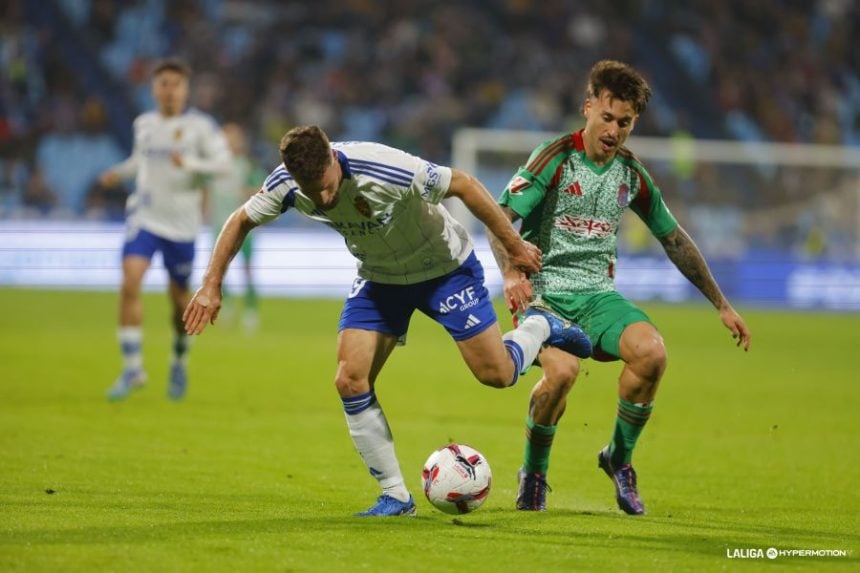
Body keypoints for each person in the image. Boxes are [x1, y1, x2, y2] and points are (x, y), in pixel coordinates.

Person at [183, 125, 592, 517]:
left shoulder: (384, 168)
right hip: (380, 277)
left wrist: (514, 244)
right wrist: (210, 284)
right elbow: (240, 219)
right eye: (313, 191)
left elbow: (464, 184)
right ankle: (395, 495)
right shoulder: (286, 184)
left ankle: (540, 326)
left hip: (443, 268)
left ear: (333, 157)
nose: (324, 197)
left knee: (497, 375)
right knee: (349, 378)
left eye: (328, 184)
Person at [488, 60, 751, 515]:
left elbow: (673, 238)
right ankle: (533, 473)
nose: (613, 130)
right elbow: (498, 222)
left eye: (624, 122)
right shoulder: (554, 158)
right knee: (563, 375)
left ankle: (618, 459)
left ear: (634, 123)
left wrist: (721, 304)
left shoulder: (631, 174)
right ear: (588, 108)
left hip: (598, 297)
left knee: (653, 353)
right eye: (606, 117)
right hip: (546, 294)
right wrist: (512, 273)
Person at [100, 58, 231, 401]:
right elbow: (140, 161)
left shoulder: (201, 127)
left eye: (176, 84)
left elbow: (223, 164)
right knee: (130, 281)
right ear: (154, 89)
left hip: (182, 226)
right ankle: (132, 369)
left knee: (179, 304)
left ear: (185, 89)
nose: (169, 90)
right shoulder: (144, 124)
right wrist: (119, 172)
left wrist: (189, 163)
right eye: (163, 84)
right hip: (144, 217)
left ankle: (178, 359)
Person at [206, 122, 262, 333]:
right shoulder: (214, 167)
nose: (229, 141)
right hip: (218, 227)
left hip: (243, 228)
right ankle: (226, 306)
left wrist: (244, 190)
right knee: (219, 271)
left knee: (247, 271)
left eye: (233, 137)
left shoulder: (246, 166)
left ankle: (250, 311)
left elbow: (261, 190)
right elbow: (207, 191)